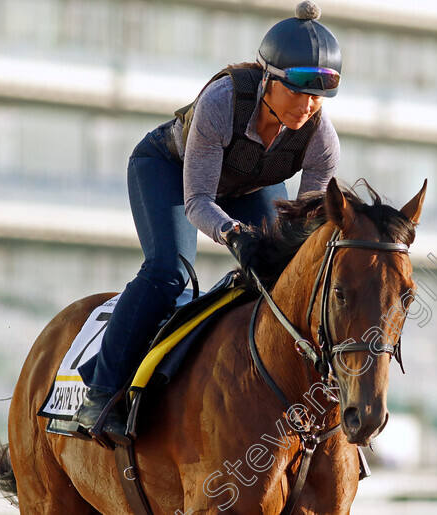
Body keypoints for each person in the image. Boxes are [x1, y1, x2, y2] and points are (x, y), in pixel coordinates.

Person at [73, 0, 342, 443]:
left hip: (246, 187)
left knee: (279, 278)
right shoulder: (222, 102)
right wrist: (234, 234)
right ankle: (100, 395)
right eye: (298, 90)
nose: (308, 106)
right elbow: (198, 200)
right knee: (169, 272)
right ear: (268, 80)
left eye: (319, 96)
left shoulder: (322, 141)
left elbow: (306, 227)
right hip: (168, 169)